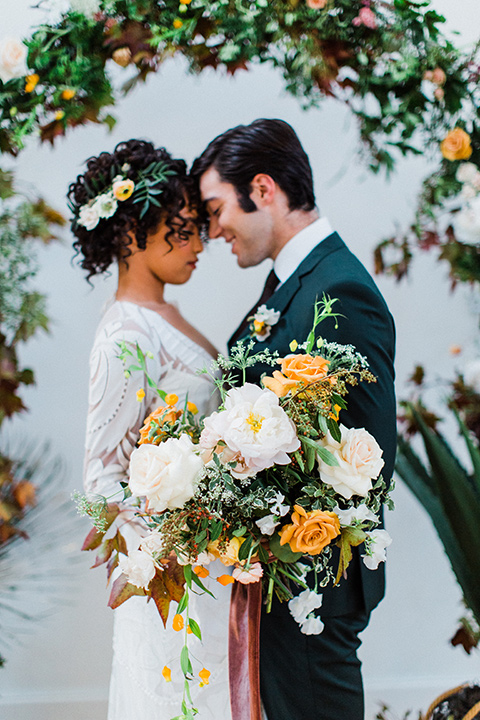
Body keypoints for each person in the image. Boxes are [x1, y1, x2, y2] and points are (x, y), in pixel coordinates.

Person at [191, 118, 397, 720]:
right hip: (282, 570)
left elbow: (361, 456)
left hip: (314, 578)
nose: (213, 229)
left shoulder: (338, 289)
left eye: (215, 208)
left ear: (262, 189)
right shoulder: (291, 284)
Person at [69, 139, 232, 720]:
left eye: (199, 230)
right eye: (181, 230)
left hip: (212, 565)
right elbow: (101, 481)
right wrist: (169, 544)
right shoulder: (125, 337)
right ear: (129, 235)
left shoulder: (166, 314)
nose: (198, 246)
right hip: (175, 579)